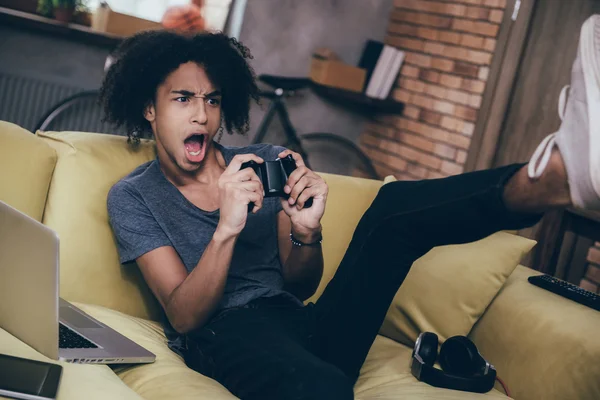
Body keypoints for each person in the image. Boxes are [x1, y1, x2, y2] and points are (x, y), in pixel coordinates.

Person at [100, 15, 600, 400]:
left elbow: (299, 284)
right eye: (183, 99)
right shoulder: (134, 196)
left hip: (298, 322)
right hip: (223, 335)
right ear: (150, 108)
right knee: (322, 386)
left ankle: (550, 178)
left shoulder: (264, 164)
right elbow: (184, 317)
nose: (201, 114)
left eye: (211, 100)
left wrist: (305, 232)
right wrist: (226, 230)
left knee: (392, 210)